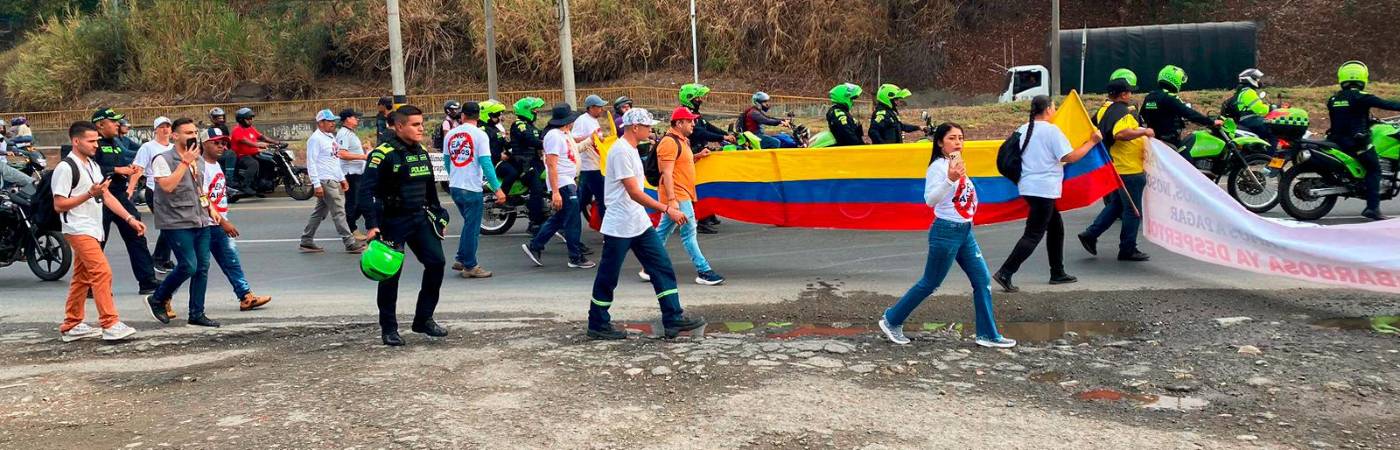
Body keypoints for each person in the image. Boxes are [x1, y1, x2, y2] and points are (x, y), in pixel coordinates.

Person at [878, 123, 1015, 348]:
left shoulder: (955, 163)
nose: (958, 142)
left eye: (961, 138)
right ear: (940, 142)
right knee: (930, 282)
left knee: (982, 281)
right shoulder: (938, 167)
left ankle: (987, 334)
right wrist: (950, 179)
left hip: (964, 232)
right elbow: (930, 200)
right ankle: (892, 320)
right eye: (952, 138)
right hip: (946, 231)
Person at [586, 108, 706, 340]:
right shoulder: (621, 152)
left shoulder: (631, 149)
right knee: (608, 275)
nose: (651, 130)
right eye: (648, 127)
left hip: (638, 222)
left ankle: (672, 318)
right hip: (620, 224)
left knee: (661, 266)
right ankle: (597, 323)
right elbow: (633, 191)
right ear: (634, 128)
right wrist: (667, 208)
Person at [992, 95, 1104, 292]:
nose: (1055, 110)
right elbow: (1069, 157)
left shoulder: (1023, 129)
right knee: (1033, 234)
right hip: (1043, 189)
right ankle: (1005, 272)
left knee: (1055, 227)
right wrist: (1092, 142)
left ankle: (1057, 272)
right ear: (1048, 109)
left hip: (1029, 187)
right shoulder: (1051, 131)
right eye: (1054, 107)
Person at [359, 105, 450, 346]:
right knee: (389, 275)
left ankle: (423, 319)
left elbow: (431, 190)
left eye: (421, 124)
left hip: (419, 219)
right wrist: (372, 224)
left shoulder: (421, 152)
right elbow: (365, 192)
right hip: (392, 222)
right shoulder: (382, 154)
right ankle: (389, 328)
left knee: (436, 263)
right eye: (415, 124)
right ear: (399, 126)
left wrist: (439, 215)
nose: (421, 129)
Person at [53, 121, 142, 342]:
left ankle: (71, 324)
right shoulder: (66, 168)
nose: (96, 145)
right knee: (102, 272)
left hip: (93, 228)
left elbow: (107, 196)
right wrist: (89, 195)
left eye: (96, 140)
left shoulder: (92, 166)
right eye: (91, 141)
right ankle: (110, 323)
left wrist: (129, 218)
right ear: (76, 141)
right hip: (77, 228)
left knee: (82, 277)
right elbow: (59, 204)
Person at [640, 106, 725, 285]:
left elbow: (680, 163)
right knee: (689, 231)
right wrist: (672, 201)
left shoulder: (682, 140)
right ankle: (704, 271)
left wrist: (697, 156)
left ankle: (648, 267)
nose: (693, 124)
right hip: (677, 195)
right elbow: (667, 173)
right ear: (679, 123)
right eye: (690, 121)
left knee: (662, 232)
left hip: (681, 194)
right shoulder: (669, 142)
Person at [145, 118, 218, 328]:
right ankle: (157, 298)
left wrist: (211, 210)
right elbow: (167, 186)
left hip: (200, 219)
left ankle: (197, 313)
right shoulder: (163, 159)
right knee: (188, 266)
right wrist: (185, 162)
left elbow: (198, 189)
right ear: (174, 136)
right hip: (175, 221)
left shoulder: (199, 160)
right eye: (187, 132)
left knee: (202, 268)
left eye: (194, 132)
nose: (193, 136)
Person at [198, 125, 273, 312]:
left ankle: (245, 296)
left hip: (217, 223)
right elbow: (202, 198)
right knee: (193, 267)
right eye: (217, 143)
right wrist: (223, 222)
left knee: (230, 260)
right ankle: (163, 297)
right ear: (204, 144)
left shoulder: (216, 165)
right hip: (205, 225)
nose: (222, 147)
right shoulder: (200, 167)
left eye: (224, 143)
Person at [1079, 78, 1152, 262]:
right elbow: (1120, 134)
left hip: (1115, 165)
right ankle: (1127, 249)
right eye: (1129, 92)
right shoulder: (1122, 112)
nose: (1131, 95)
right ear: (1123, 94)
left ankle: (1090, 234)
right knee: (1133, 211)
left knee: (1118, 205)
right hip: (1129, 168)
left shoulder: (1104, 109)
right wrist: (1143, 131)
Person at [91, 107, 161, 295]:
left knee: (136, 235)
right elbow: (91, 168)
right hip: (100, 197)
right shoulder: (92, 143)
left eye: (117, 121)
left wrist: (130, 169)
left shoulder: (116, 142)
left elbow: (127, 157)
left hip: (120, 196)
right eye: (113, 121)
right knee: (97, 242)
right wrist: (116, 169)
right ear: (100, 124)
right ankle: (92, 286)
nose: (117, 124)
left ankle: (147, 281)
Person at [522, 104, 595, 269]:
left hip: (567, 181)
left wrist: (591, 139)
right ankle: (575, 256)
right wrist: (555, 192)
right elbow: (552, 165)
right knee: (573, 220)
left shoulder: (564, 134)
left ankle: (535, 245)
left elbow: (574, 150)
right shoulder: (554, 136)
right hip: (563, 183)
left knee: (559, 218)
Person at [1328, 60, 1400, 221]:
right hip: (1356, 142)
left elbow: (1347, 117)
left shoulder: (1333, 99)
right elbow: (1387, 104)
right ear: (1363, 78)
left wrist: (1369, 121)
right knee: (1374, 169)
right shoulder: (1362, 97)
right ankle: (1372, 208)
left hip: (1336, 140)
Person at [445, 102, 506, 278]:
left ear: (462, 116)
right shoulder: (480, 135)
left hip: (455, 186)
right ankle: (470, 266)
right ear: (478, 116)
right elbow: (486, 163)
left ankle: (461, 258)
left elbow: (447, 161)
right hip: (471, 187)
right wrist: (497, 189)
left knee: (468, 225)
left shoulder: (451, 134)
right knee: (472, 228)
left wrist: (455, 177)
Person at [300, 109, 364, 254]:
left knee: (319, 212)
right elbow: (311, 163)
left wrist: (342, 178)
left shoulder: (330, 137)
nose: (332, 123)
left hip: (333, 178)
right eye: (329, 121)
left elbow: (335, 160)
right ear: (320, 123)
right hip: (325, 180)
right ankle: (349, 242)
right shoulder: (315, 139)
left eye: (333, 121)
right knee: (339, 211)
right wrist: (316, 184)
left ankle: (306, 240)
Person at [132, 116, 175, 273]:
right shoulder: (148, 147)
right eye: (161, 127)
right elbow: (138, 169)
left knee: (173, 225)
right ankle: (158, 259)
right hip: (154, 190)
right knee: (168, 225)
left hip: (171, 191)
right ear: (155, 130)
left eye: (167, 126)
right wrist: (130, 189)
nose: (165, 130)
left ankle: (164, 258)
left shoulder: (173, 147)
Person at [1140, 66, 1218, 148]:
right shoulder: (1170, 97)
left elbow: (1143, 115)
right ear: (1175, 80)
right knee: (1187, 159)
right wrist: (1212, 122)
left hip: (1153, 141)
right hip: (1170, 143)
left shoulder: (1149, 96)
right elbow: (1189, 113)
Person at [507, 97, 549, 234]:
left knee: (546, 183)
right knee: (536, 188)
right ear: (526, 111)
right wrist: (546, 143)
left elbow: (541, 134)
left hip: (534, 161)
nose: (536, 112)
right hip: (523, 162)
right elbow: (530, 140)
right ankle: (535, 222)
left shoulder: (530, 125)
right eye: (534, 110)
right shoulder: (519, 124)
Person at [335, 108, 372, 239]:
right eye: (355, 117)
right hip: (351, 173)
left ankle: (347, 223)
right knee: (353, 202)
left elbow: (349, 150)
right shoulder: (343, 134)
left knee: (361, 201)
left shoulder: (350, 133)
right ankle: (350, 228)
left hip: (358, 172)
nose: (357, 119)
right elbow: (342, 154)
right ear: (347, 119)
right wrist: (363, 157)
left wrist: (363, 149)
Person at [1221, 68, 1278, 150]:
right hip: (1251, 120)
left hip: (1244, 120)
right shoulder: (1249, 92)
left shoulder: (1241, 92)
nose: (1258, 80)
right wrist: (1271, 107)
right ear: (1250, 79)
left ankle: (1260, 151)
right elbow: (1260, 110)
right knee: (1273, 133)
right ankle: (1271, 158)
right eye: (1256, 78)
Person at [231, 107, 283, 194]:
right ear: (241, 120)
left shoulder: (251, 128)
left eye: (251, 118)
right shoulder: (237, 130)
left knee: (269, 161)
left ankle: (262, 184)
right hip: (242, 156)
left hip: (254, 153)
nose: (251, 120)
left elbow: (261, 137)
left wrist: (277, 142)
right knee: (254, 164)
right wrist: (258, 145)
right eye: (248, 119)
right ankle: (245, 185)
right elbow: (245, 141)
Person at [575, 95, 608, 225]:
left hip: (596, 164)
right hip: (590, 166)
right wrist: (590, 137)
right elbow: (575, 139)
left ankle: (563, 224)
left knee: (583, 200)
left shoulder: (593, 120)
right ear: (591, 108)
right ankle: (608, 232)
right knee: (603, 199)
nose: (602, 110)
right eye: (599, 107)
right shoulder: (582, 120)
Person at [678, 83, 732, 152]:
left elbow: (708, 126)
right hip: (693, 152)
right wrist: (723, 137)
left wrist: (726, 134)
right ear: (688, 99)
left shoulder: (695, 113)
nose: (700, 100)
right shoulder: (685, 115)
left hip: (701, 148)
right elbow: (701, 133)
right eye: (697, 98)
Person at [479, 100, 513, 197]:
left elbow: (505, 143)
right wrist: (499, 155)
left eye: (499, 114)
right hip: (492, 162)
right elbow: (484, 150)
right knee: (512, 172)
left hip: (498, 159)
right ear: (487, 115)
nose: (499, 117)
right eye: (496, 115)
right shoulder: (482, 130)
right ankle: (503, 196)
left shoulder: (494, 128)